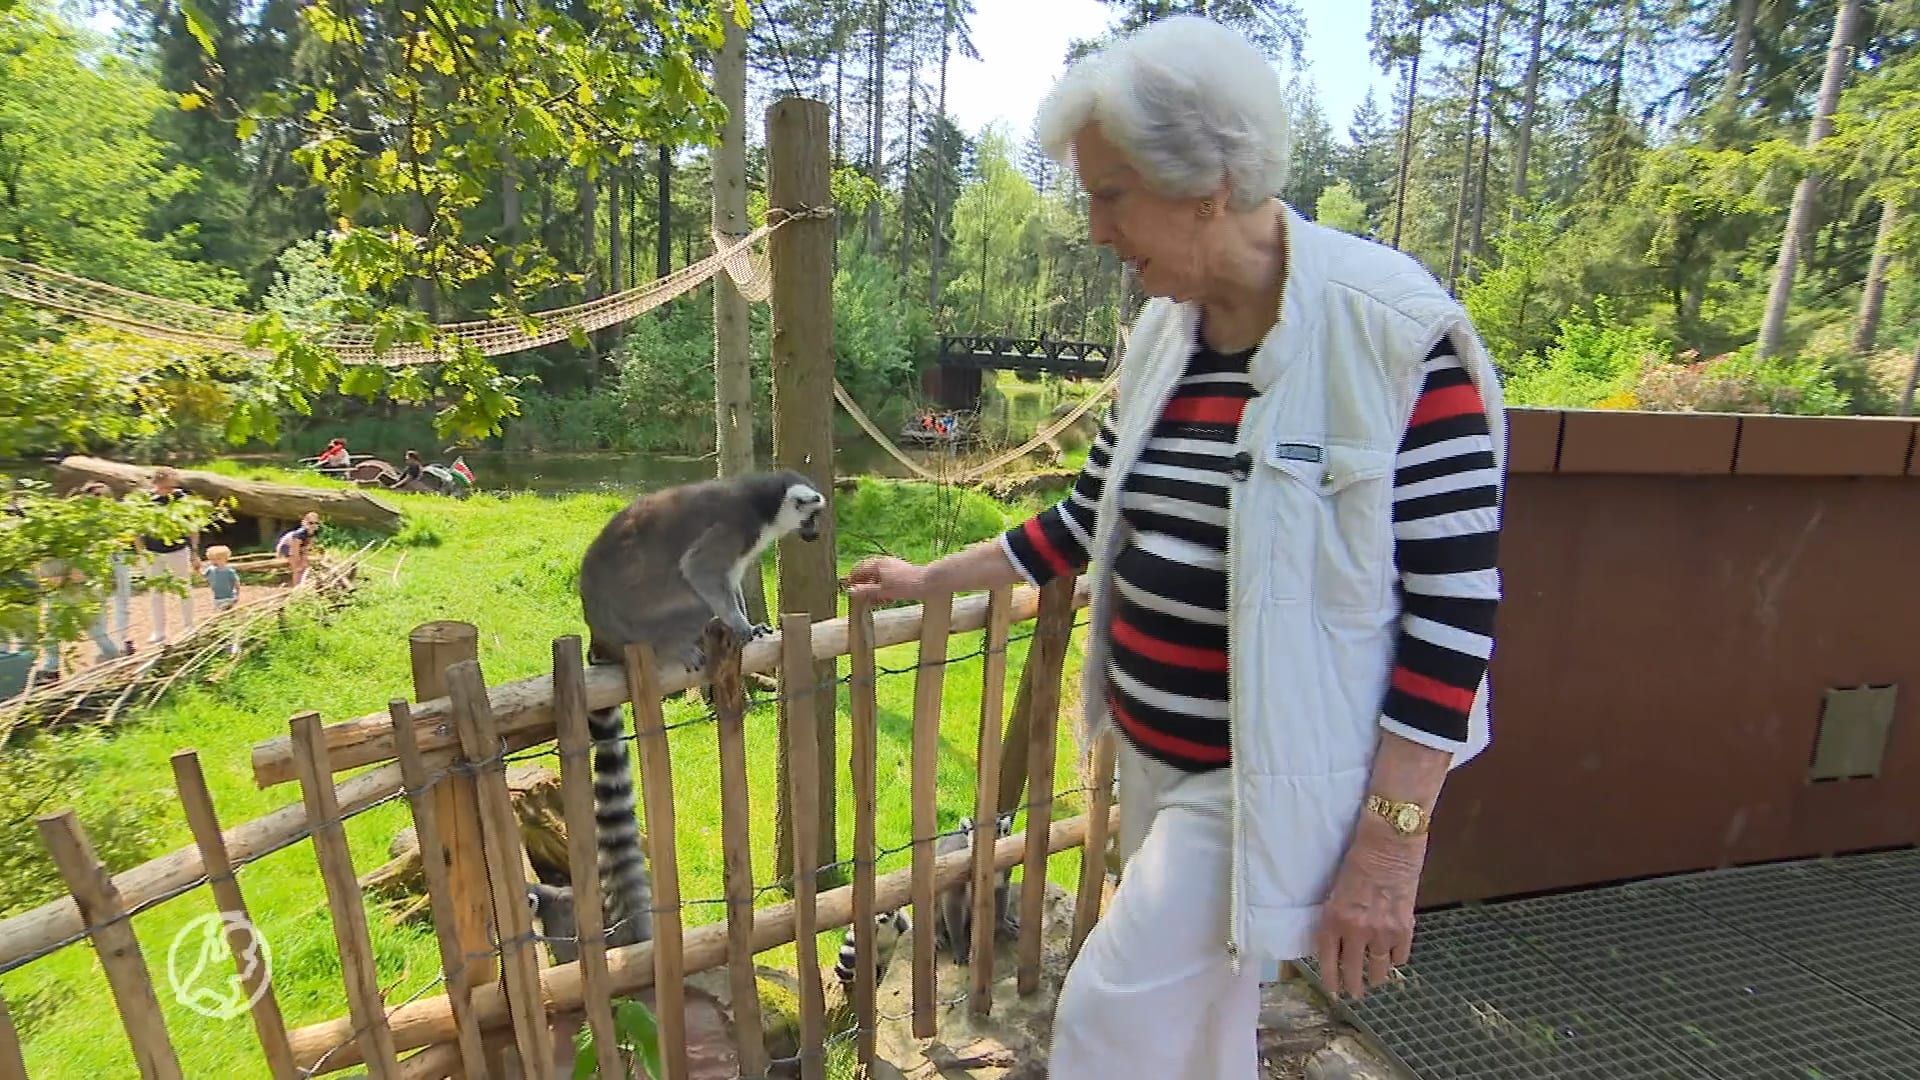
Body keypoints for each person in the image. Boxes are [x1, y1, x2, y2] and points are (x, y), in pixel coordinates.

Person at [847, 17, 1506, 1080]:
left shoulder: (1395, 338)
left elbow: (1455, 609)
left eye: (1111, 194)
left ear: (1209, 184)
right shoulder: (1167, 333)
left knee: (1109, 1016)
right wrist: (934, 578)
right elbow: (1084, 518)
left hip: (1263, 776)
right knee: (1202, 1027)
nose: (1094, 228)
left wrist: (1391, 843)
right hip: (1157, 757)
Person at [138, 468, 199, 645]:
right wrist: (141, 552)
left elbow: (192, 527)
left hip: (178, 550)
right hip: (152, 551)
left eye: (173, 486)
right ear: (157, 484)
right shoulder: (146, 501)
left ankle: (189, 626)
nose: (170, 490)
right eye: (166, 486)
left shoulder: (182, 499)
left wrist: (194, 551)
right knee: (155, 592)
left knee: (184, 588)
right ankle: (158, 631)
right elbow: (137, 529)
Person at [78, 482, 136, 656]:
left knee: (122, 600)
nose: (101, 499)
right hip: (95, 561)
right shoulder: (82, 518)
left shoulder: (118, 513)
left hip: (118, 558)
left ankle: (122, 640)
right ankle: (104, 643)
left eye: (104, 494)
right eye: (96, 495)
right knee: (100, 603)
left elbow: (129, 534)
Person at [275, 512, 321, 587]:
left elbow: (308, 546)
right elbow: (294, 551)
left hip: (299, 547)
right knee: (297, 568)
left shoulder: (314, 532)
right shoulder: (299, 533)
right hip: (286, 546)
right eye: (311, 523)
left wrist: (305, 556)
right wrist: (297, 561)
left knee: (305, 566)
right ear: (305, 523)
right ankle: (296, 588)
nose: (313, 525)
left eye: (316, 523)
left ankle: (303, 585)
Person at [201, 545, 240, 611]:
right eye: (212, 559)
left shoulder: (229, 571)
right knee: (219, 611)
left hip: (229, 596)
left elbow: (236, 582)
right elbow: (203, 575)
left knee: (227, 611)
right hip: (217, 597)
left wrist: (237, 594)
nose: (215, 561)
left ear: (226, 559)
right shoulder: (210, 569)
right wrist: (197, 570)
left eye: (218, 559)